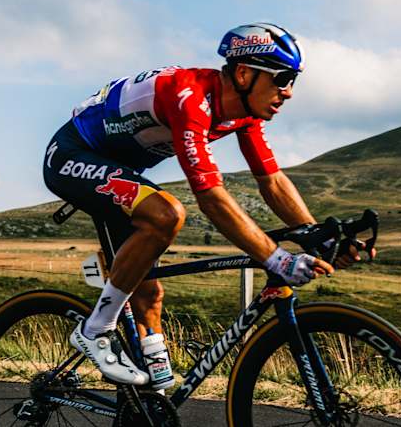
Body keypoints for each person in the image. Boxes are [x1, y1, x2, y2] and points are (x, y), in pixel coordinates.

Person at [42, 22, 359, 386]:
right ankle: (95, 330)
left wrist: (318, 235)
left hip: (118, 169)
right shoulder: (190, 98)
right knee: (166, 214)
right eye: (282, 78)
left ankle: (153, 396)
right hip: (72, 154)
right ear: (244, 73)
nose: (287, 92)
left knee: (149, 292)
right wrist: (277, 258)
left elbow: (271, 180)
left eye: (293, 81)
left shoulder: (244, 113)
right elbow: (209, 196)